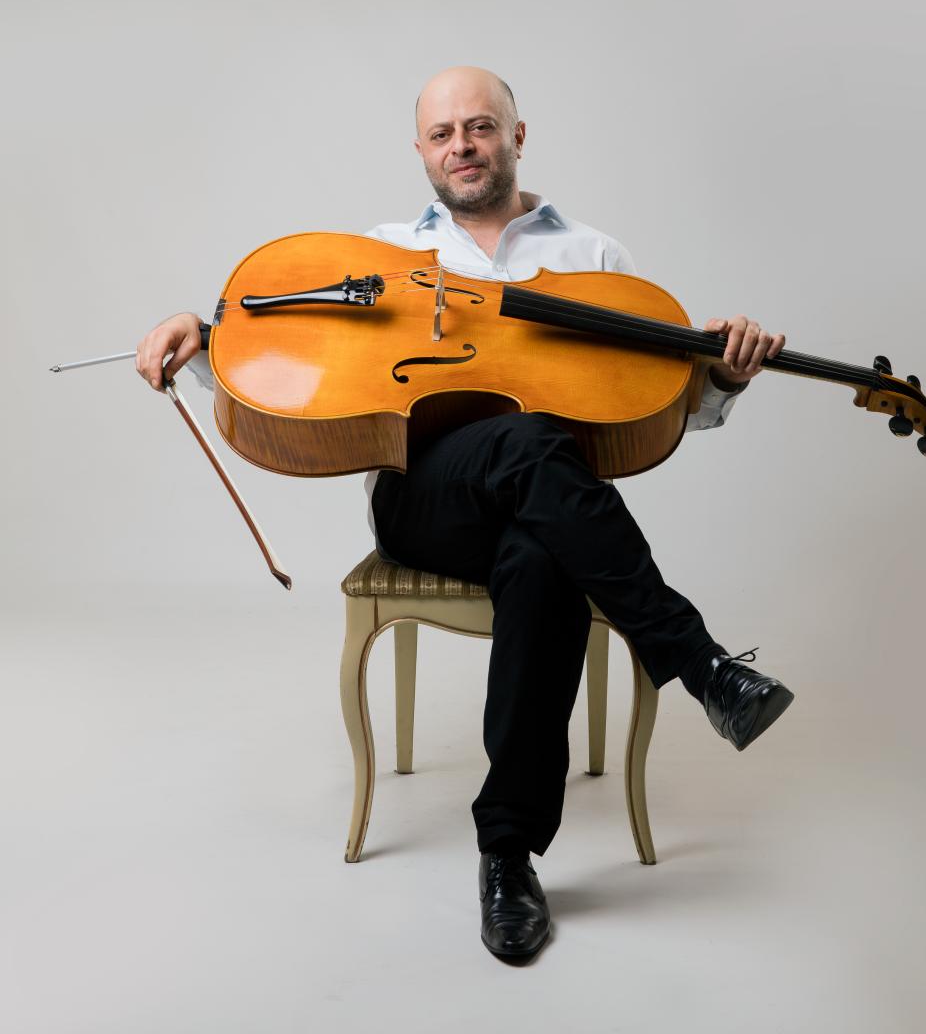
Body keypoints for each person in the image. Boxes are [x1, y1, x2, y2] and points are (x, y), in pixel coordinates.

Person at [135, 65, 793, 963]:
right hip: (424, 502)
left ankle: (507, 856)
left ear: (517, 135)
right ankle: (700, 662)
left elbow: (659, 406)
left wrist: (718, 375)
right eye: (443, 134)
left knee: (542, 555)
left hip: (553, 515)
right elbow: (288, 363)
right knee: (529, 439)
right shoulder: (383, 254)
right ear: (420, 150)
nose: (463, 147)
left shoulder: (596, 259)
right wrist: (205, 334)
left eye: (480, 127)